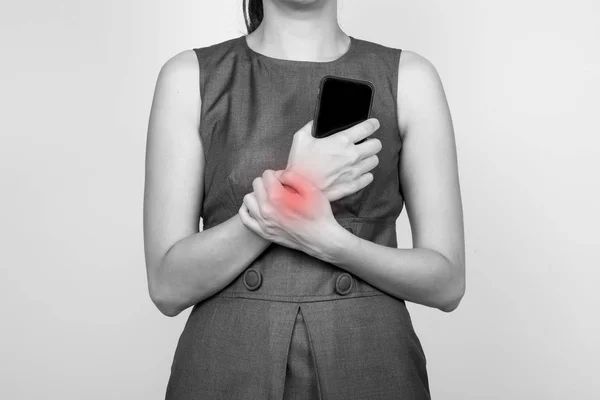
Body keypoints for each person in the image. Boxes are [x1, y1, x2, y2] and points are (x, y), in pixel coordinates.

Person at [143, 0, 465, 398]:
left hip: (371, 359)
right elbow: (167, 286)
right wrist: (298, 185)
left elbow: (447, 282)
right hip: (227, 363)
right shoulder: (189, 77)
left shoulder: (411, 78)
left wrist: (333, 243)